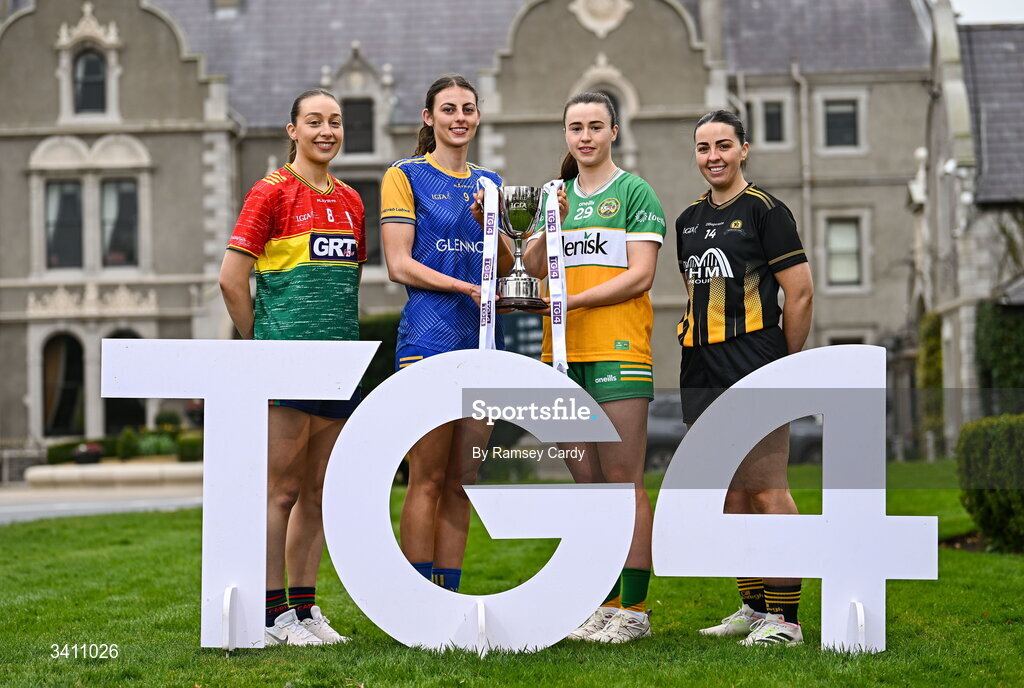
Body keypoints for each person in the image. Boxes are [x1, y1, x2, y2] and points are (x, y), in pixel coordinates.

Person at [219, 88, 365, 646]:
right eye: (314, 122)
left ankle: (304, 612)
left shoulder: (352, 200)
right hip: (285, 364)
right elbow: (232, 279)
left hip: (339, 363)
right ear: (292, 131)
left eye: (334, 121)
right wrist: (262, 345)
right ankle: (270, 613)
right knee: (280, 493)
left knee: (319, 493)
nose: (326, 130)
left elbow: (345, 282)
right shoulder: (269, 192)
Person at [522, 92, 666, 644]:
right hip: (560, 355)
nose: (584, 136)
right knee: (586, 484)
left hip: (618, 348)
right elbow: (531, 266)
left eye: (595, 127)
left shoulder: (633, 191)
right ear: (566, 135)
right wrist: (546, 224)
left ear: (614, 132)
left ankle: (635, 609)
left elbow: (641, 275)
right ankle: (602, 602)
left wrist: (573, 303)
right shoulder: (554, 196)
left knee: (622, 480)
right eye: (575, 128)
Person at [675, 109, 813, 646]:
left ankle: (787, 619)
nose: (714, 156)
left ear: (744, 149)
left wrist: (784, 361)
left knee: (766, 488)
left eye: (723, 145)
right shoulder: (687, 219)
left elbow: (798, 294)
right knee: (731, 493)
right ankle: (753, 607)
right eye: (704, 147)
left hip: (754, 359)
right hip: (699, 366)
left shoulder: (767, 212)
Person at [380, 74, 512, 594]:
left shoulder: (492, 183)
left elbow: (505, 265)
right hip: (428, 343)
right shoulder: (404, 175)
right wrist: (465, 285)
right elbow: (398, 264)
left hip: (482, 347)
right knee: (427, 479)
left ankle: (448, 597)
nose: (460, 118)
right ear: (428, 117)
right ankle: (417, 600)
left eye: (469, 109)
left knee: (463, 483)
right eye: (449, 109)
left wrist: (493, 225)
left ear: (478, 117)